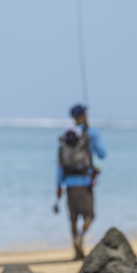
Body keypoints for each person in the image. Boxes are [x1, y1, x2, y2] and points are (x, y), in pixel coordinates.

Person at [56, 104, 107, 260]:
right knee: (89, 215)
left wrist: (58, 185)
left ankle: (76, 252)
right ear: (84, 115)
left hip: (69, 183)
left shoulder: (67, 136)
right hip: (85, 182)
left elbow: (60, 164)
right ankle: (80, 237)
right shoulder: (91, 134)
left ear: (73, 117)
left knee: (73, 218)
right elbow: (102, 154)